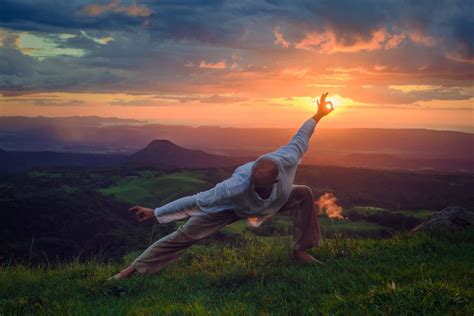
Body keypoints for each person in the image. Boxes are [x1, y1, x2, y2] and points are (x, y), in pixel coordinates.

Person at [110, 93, 334, 279]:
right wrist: (156, 212)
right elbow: (194, 202)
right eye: (254, 187)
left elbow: (302, 134)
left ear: (277, 180)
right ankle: (129, 271)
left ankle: (300, 251)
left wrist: (318, 114)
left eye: (261, 189)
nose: (255, 191)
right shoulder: (233, 189)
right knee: (184, 235)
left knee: (303, 193)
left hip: (275, 203)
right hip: (230, 209)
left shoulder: (287, 158)